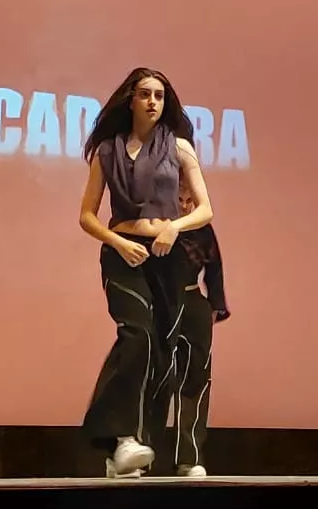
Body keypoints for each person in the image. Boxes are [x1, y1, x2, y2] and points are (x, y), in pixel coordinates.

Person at [77, 67, 214, 479]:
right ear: (130, 100)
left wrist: (174, 226)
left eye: (159, 95)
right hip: (123, 254)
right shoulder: (107, 150)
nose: (153, 102)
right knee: (135, 333)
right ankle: (121, 439)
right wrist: (117, 241)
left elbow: (206, 207)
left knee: (159, 348)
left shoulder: (180, 148)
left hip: (167, 256)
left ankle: (127, 448)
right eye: (145, 94)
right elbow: (86, 215)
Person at [151, 181, 229, 478]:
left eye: (189, 200)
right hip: (163, 305)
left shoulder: (202, 228)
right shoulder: (153, 226)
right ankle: (146, 455)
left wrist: (214, 306)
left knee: (195, 380)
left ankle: (190, 457)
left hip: (194, 302)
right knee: (156, 379)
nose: (184, 205)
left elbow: (215, 268)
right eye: (179, 199)